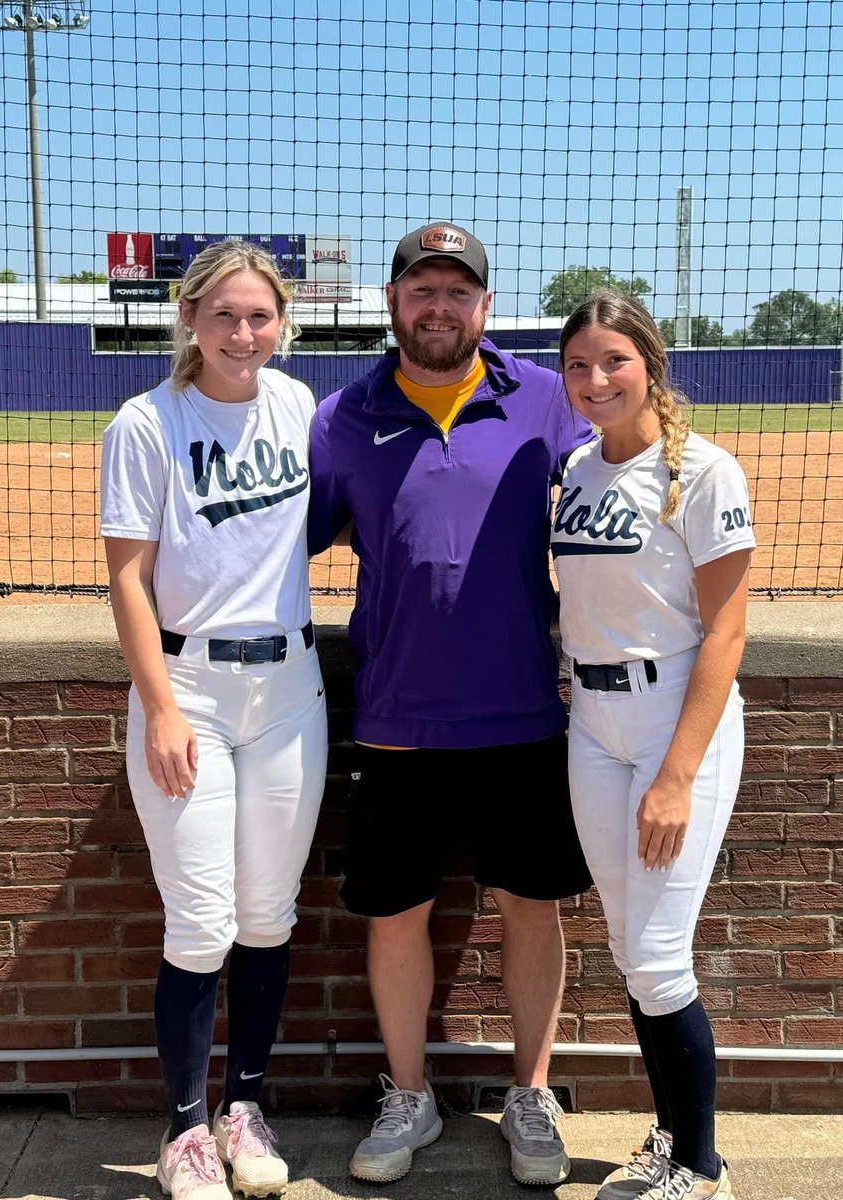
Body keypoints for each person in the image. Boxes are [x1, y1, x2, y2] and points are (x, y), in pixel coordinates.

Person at [308, 221, 594, 1187]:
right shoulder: (343, 415)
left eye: (457, 291)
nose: (439, 307)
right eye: (421, 289)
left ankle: (532, 1093)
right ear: (392, 302)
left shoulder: (549, 401)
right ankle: (408, 1095)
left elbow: (628, 485)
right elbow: (281, 540)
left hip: (522, 712)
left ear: (484, 303)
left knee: (530, 906)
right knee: (394, 915)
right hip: (395, 717)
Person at [100, 240, 327, 1200]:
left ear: (284, 324)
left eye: (260, 316)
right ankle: (185, 1131)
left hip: (289, 692)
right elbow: (127, 577)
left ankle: (244, 1108)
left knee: (267, 917)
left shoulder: (298, 405)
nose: (243, 333)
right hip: (187, 688)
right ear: (189, 317)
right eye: (225, 314)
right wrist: (158, 708)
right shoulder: (146, 422)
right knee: (200, 925)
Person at [552, 293, 755, 1200]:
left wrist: (676, 775)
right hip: (591, 726)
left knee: (661, 957)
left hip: (676, 721)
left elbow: (725, 633)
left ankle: (698, 1163)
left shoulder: (704, 471)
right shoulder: (576, 469)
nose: (595, 380)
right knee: (630, 950)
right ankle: (672, 1134)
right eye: (578, 365)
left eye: (613, 362)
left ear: (650, 366)